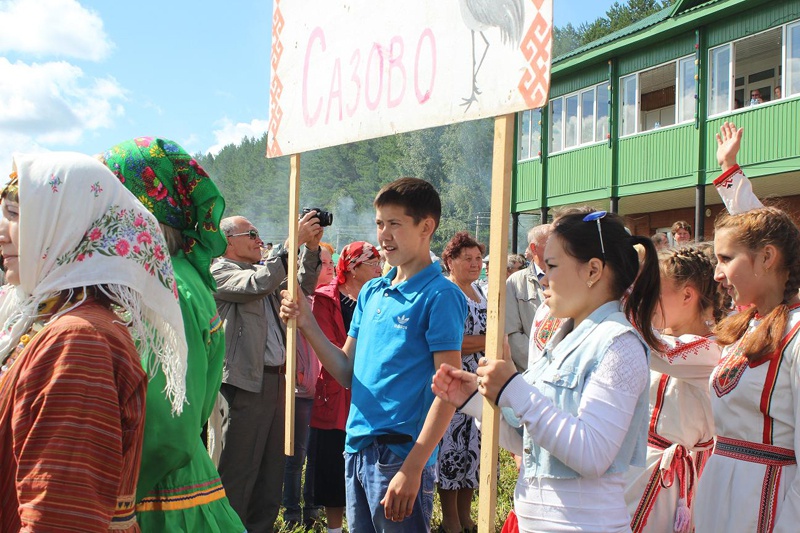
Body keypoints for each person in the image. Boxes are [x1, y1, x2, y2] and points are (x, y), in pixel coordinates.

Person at [433, 208, 663, 532]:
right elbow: (528, 441)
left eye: (552, 266)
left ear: (593, 270)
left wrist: (512, 387)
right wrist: (475, 399)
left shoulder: (618, 344)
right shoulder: (563, 337)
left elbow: (592, 453)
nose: (543, 277)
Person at [0, 152, 188, 532]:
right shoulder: (54, 320)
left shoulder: (77, 341)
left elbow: (59, 518)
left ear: (67, 226)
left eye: (16, 214)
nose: (2, 230)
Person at [280, 177, 467, 532]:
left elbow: (449, 392)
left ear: (426, 227)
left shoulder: (440, 295)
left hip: (399, 456)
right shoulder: (372, 292)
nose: (384, 235)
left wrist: (413, 468)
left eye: (395, 224)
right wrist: (306, 322)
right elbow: (347, 370)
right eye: (380, 223)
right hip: (357, 449)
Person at [100, 137, 245, 532]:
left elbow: (167, 424)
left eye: (110, 193)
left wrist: (106, 502)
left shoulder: (165, 288)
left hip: (158, 502)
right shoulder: (174, 276)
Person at [692, 206, 800, 532]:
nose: (716, 274)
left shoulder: (796, 333)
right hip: (721, 490)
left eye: (725, 259)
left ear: (767, 257)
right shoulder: (746, 327)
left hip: (765, 501)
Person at [212, 213, 322, 533]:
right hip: (243, 384)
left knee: (270, 469)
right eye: (252, 234)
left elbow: (303, 286)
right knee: (238, 468)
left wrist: (311, 250)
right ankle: (231, 527)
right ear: (228, 242)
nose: (259, 240)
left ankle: (260, 527)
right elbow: (255, 286)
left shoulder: (266, 270)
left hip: (274, 380)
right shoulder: (219, 270)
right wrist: (291, 244)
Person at [625, 246, 723, 533]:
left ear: (687, 295)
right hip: (634, 469)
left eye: (654, 291)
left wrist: (617, 302)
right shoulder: (660, 337)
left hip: (673, 479)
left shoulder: (713, 348)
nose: (646, 299)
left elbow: (663, 353)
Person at [309, 241, 383, 533]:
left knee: (368, 460)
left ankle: (363, 522)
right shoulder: (326, 299)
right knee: (331, 462)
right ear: (352, 268)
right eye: (372, 263)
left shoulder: (379, 297)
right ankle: (335, 528)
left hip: (370, 392)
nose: (379, 268)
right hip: (335, 393)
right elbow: (328, 346)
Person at [437, 231, 487, 533]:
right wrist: (487, 340)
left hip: (480, 383)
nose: (475, 263)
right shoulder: (447, 293)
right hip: (455, 382)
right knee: (451, 452)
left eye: (478, 258)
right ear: (450, 261)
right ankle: (450, 519)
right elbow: (452, 342)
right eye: (467, 258)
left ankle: (466, 515)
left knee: (474, 451)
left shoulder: (481, 291)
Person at [506, 224, 552, 372]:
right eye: (551, 242)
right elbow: (512, 334)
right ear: (534, 248)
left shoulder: (569, 276)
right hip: (529, 374)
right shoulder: (516, 281)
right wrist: (542, 366)